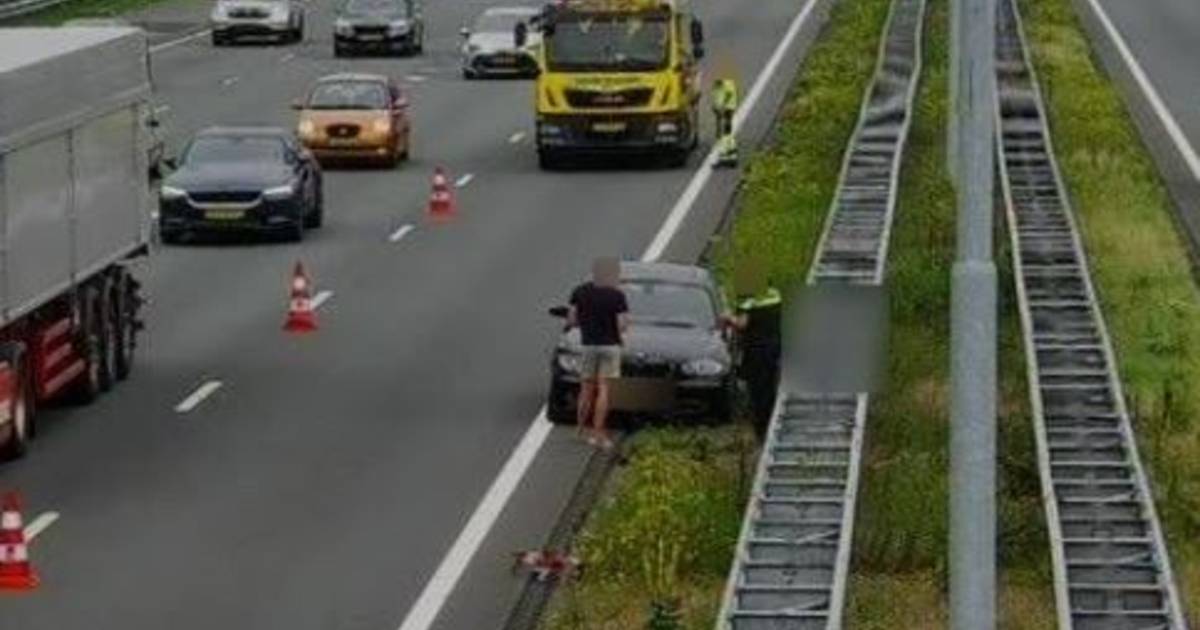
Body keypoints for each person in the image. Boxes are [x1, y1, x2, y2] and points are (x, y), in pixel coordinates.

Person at [568, 258, 629, 450]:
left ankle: (579, 429)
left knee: (586, 388)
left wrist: (585, 323)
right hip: (610, 346)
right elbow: (622, 324)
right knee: (604, 389)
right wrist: (620, 337)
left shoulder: (579, 292)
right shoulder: (617, 295)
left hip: (588, 345)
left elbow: (572, 319)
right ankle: (597, 433)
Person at [731, 280, 782, 439]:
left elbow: (742, 323)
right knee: (770, 389)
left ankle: (761, 430)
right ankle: (771, 423)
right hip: (774, 349)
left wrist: (728, 318)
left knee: (757, 392)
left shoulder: (750, 301)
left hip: (756, 352)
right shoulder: (775, 295)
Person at [712, 77, 739, 166]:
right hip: (725, 109)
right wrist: (717, 110)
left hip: (727, 108)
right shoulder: (717, 88)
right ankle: (730, 154)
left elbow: (729, 96)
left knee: (725, 132)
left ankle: (725, 155)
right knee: (726, 132)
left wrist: (722, 107)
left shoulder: (727, 86)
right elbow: (716, 101)